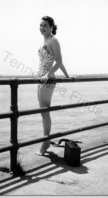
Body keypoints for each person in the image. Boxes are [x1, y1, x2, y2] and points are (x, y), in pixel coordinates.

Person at [36, 16, 69, 155]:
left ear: (51, 27)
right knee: (43, 111)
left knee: (45, 112)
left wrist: (48, 75)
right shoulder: (46, 40)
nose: (42, 28)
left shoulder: (54, 40)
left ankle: (45, 143)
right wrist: (67, 75)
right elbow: (57, 60)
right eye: (40, 25)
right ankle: (46, 140)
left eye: (45, 25)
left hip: (47, 80)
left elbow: (59, 60)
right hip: (41, 79)